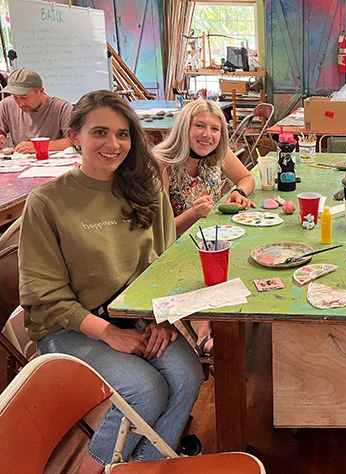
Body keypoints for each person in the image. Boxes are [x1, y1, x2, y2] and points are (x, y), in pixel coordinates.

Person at [19, 90, 204, 473]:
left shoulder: (146, 188)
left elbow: (165, 264)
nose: (113, 144)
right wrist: (108, 333)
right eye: (100, 132)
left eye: (123, 134)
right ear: (74, 136)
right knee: (145, 389)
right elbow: (45, 296)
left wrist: (161, 317)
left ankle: (144, 466)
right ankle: (94, 468)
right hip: (70, 326)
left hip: (133, 314)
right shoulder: (47, 202)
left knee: (189, 375)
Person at [154, 98, 256, 358]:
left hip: (213, 238)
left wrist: (237, 192)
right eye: (199, 126)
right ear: (183, 128)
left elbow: (246, 177)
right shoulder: (161, 165)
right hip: (174, 249)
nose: (207, 135)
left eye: (214, 129)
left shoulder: (217, 155)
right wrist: (192, 214)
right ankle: (206, 326)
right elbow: (161, 234)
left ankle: (232, 326)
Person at [0, 67, 72, 154]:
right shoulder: (7, 105)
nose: (20, 103)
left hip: (54, 163)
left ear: (41, 91)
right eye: (15, 97)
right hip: (20, 163)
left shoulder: (62, 108)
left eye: (24, 97)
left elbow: (76, 141)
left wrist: (38, 146)